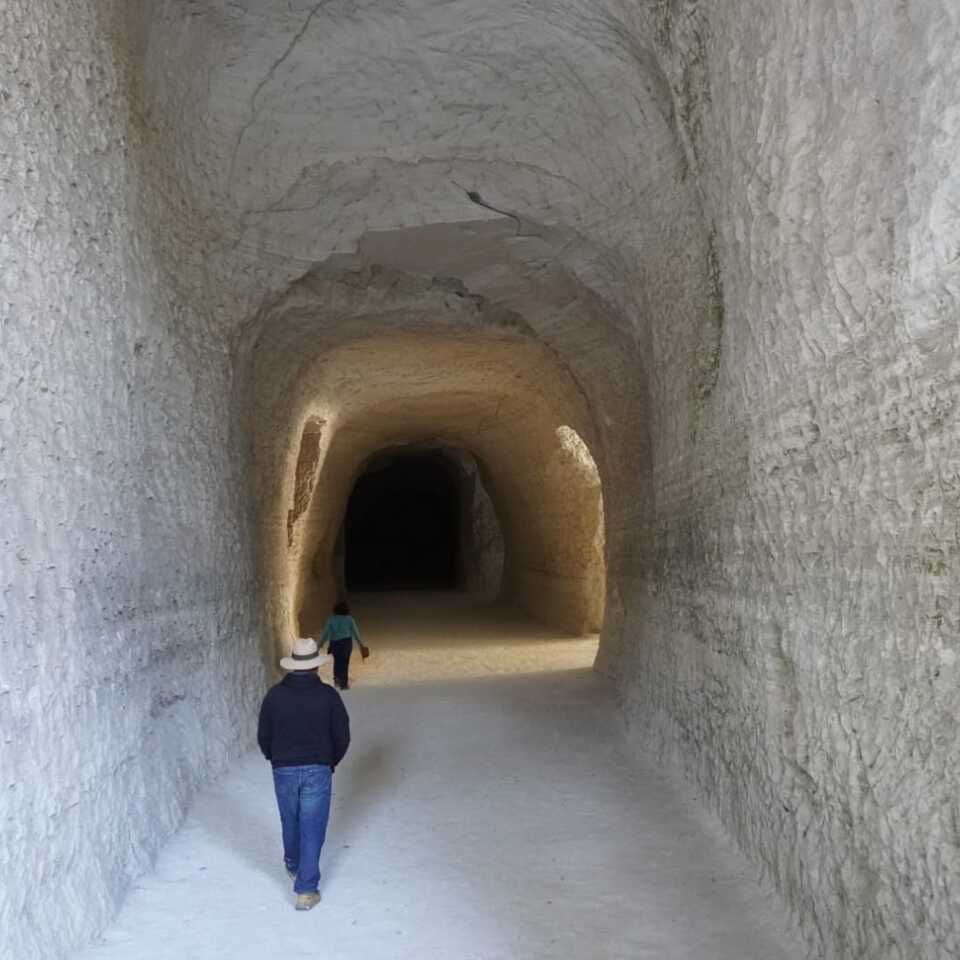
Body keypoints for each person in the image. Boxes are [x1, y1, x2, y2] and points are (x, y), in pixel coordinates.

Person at [257, 637, 350, 910]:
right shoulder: (328, 696)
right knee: (312, 826)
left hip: (283, 768)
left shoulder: (274, 696)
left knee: (290, 819)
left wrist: (275, 758)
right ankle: (306, 891)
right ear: (315, 666)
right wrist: (329, 762)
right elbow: (342, 735)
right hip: (318, 768)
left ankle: (293, 863)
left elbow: (264, 735)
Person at [320, 600, 367, 690]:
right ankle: (344, 683)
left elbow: (326, 632)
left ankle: (337, 681)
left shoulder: (331, 619)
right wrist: (361, 644)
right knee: (345, 663)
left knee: (337, 661)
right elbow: (355, 632)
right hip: (346, 643)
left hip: (335, 643)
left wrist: (320, 643)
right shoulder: (349, 619)